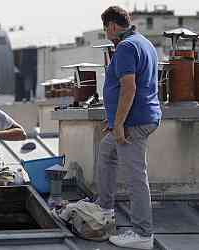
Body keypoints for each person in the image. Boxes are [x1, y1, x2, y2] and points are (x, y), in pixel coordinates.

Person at [98, 6, 162, 250]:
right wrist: (114, 120)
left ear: (112, 26)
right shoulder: (143, 42)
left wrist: (120, 123)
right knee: (106, 153)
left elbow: (129, 88)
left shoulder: (125, 47)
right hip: (133, 119)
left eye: (105, 28)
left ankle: (143, 234)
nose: (106, 33)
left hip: (134, 123)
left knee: (135, 178)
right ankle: (105, 210)